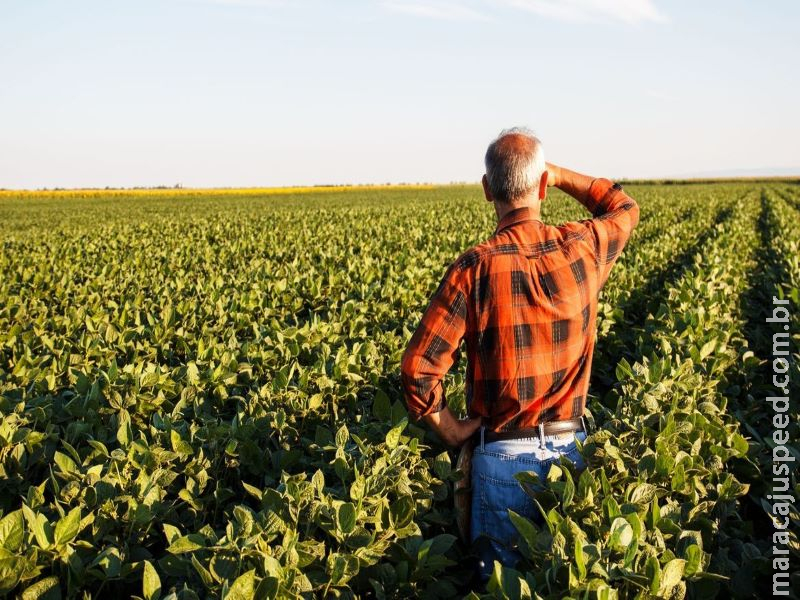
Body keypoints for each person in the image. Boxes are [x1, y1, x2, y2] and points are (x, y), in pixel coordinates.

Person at [400, 127, 639, 579]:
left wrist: (449, 429)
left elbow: (418, 369)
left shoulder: (473, 267)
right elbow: (624, 208)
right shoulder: (583, 247)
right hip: (571, 458)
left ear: (487, 188)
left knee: (501, 588)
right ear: (544, 186)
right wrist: (562, 174)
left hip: (500, 460)